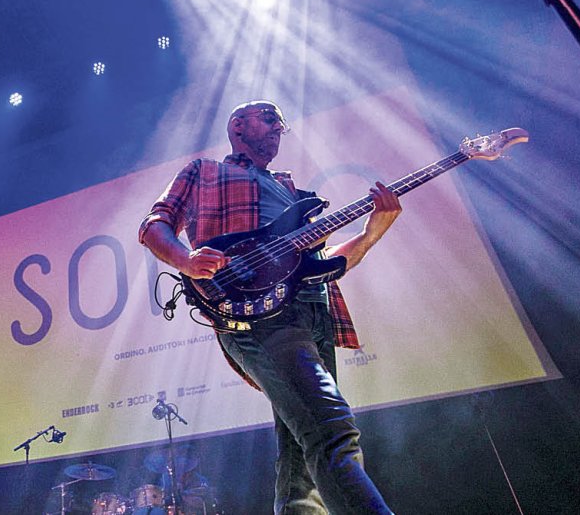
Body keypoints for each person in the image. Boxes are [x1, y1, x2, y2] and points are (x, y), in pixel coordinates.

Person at [139, 101, 402, 515]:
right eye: (269, 118)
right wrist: (187, 261)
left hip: (315, 311)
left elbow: (323, 261)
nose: (280, 126)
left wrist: (371, 235)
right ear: (237, 126)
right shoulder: (204, 171)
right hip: (255, 316)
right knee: (332, 432)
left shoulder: (291, 189)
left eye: (281, 122)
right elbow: (155, 224)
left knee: (301, 458)